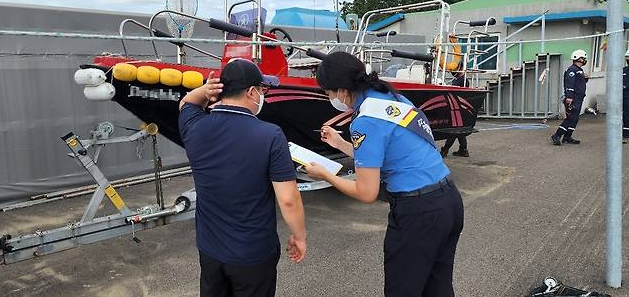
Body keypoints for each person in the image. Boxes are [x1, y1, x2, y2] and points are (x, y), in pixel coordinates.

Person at [304, 52, 464, 297]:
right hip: (448, 201)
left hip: (418, 213)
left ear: (342, 90)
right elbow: (385, 154)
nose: (330, 98)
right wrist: (341, 144)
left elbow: (366, 192)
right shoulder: (394, 98)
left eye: (328, 92)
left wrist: (326, 174)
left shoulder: (365, 120)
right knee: (438, 287)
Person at [178, 59, 307, 297]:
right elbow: (288, 198)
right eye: (261, 90)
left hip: (210, 250)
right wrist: (299, 236)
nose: (262, 96)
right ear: (251, 92)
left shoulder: (193, 126)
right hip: (253, 253)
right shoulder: (270, 135)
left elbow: (186, 103)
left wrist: (204, 91)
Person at [551, 50, 589, 145]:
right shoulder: (572, 70)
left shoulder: (579, 70)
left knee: (575, 118)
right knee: (571, 118)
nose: (584, 60)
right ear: (579, 58)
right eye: (583, 58)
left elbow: (579, 83)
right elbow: (570, 84)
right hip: (573, 98)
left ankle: (567, 137)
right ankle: (557, 135)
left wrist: (586, 78)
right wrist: (569, 97)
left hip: (579, 97)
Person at [441, 68, 470, 157]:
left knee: (454, 129)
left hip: (458, 106)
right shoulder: (458, 79)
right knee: (459, 129)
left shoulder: (463, 80)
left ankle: (445, 149)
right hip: (456, 105)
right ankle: (463, 149)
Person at [623, 50, 629, 141]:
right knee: (626, 115)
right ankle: (626, 133)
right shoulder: (624, 70)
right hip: (624, 95)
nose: (627, 59)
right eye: (627, 57)